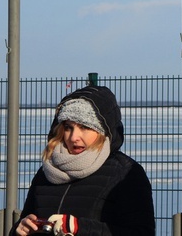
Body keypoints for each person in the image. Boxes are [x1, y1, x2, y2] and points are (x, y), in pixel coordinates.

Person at [11, 85, 155, 236]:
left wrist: (80, 228)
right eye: (68, 127)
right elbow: (26, 221)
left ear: (103, 131)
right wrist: (20, 230)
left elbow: (141, 232)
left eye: (85, 127)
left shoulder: (125, 173)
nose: (74, 137)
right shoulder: (48, 170)